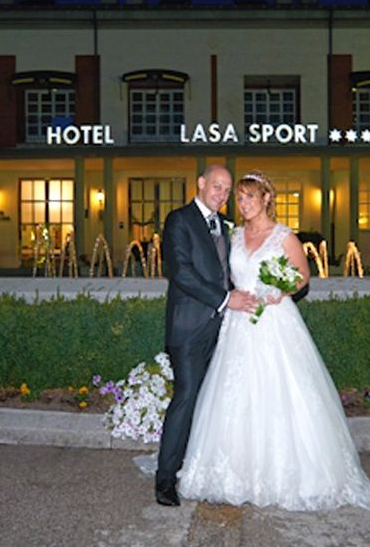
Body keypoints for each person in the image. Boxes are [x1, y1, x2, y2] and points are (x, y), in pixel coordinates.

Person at [177, 170, 370, 511]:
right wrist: (230, 295)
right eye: (240, 198)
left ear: (266, 199)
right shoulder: (233, 235)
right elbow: (222, 273)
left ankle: (298, 476)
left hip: (275, 322)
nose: (243, 204)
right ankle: (234, 473)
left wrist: (278, 290)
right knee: (234, 394)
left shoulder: (284, 235)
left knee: (281, 391)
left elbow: (303, 277)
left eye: (250, 197)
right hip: (238, 322)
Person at [155, 164, 258, 506]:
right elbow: (180, 271)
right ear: (200, 184)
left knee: (212, 402)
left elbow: (228, 272)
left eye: (227, 190)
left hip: (224, 330)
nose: (222, 195)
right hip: (188, 328)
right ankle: (165, 479)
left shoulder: (226, 226)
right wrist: (227, 299)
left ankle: (196, 467)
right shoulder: (179, 220)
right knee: (185, 397)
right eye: (217, 187)